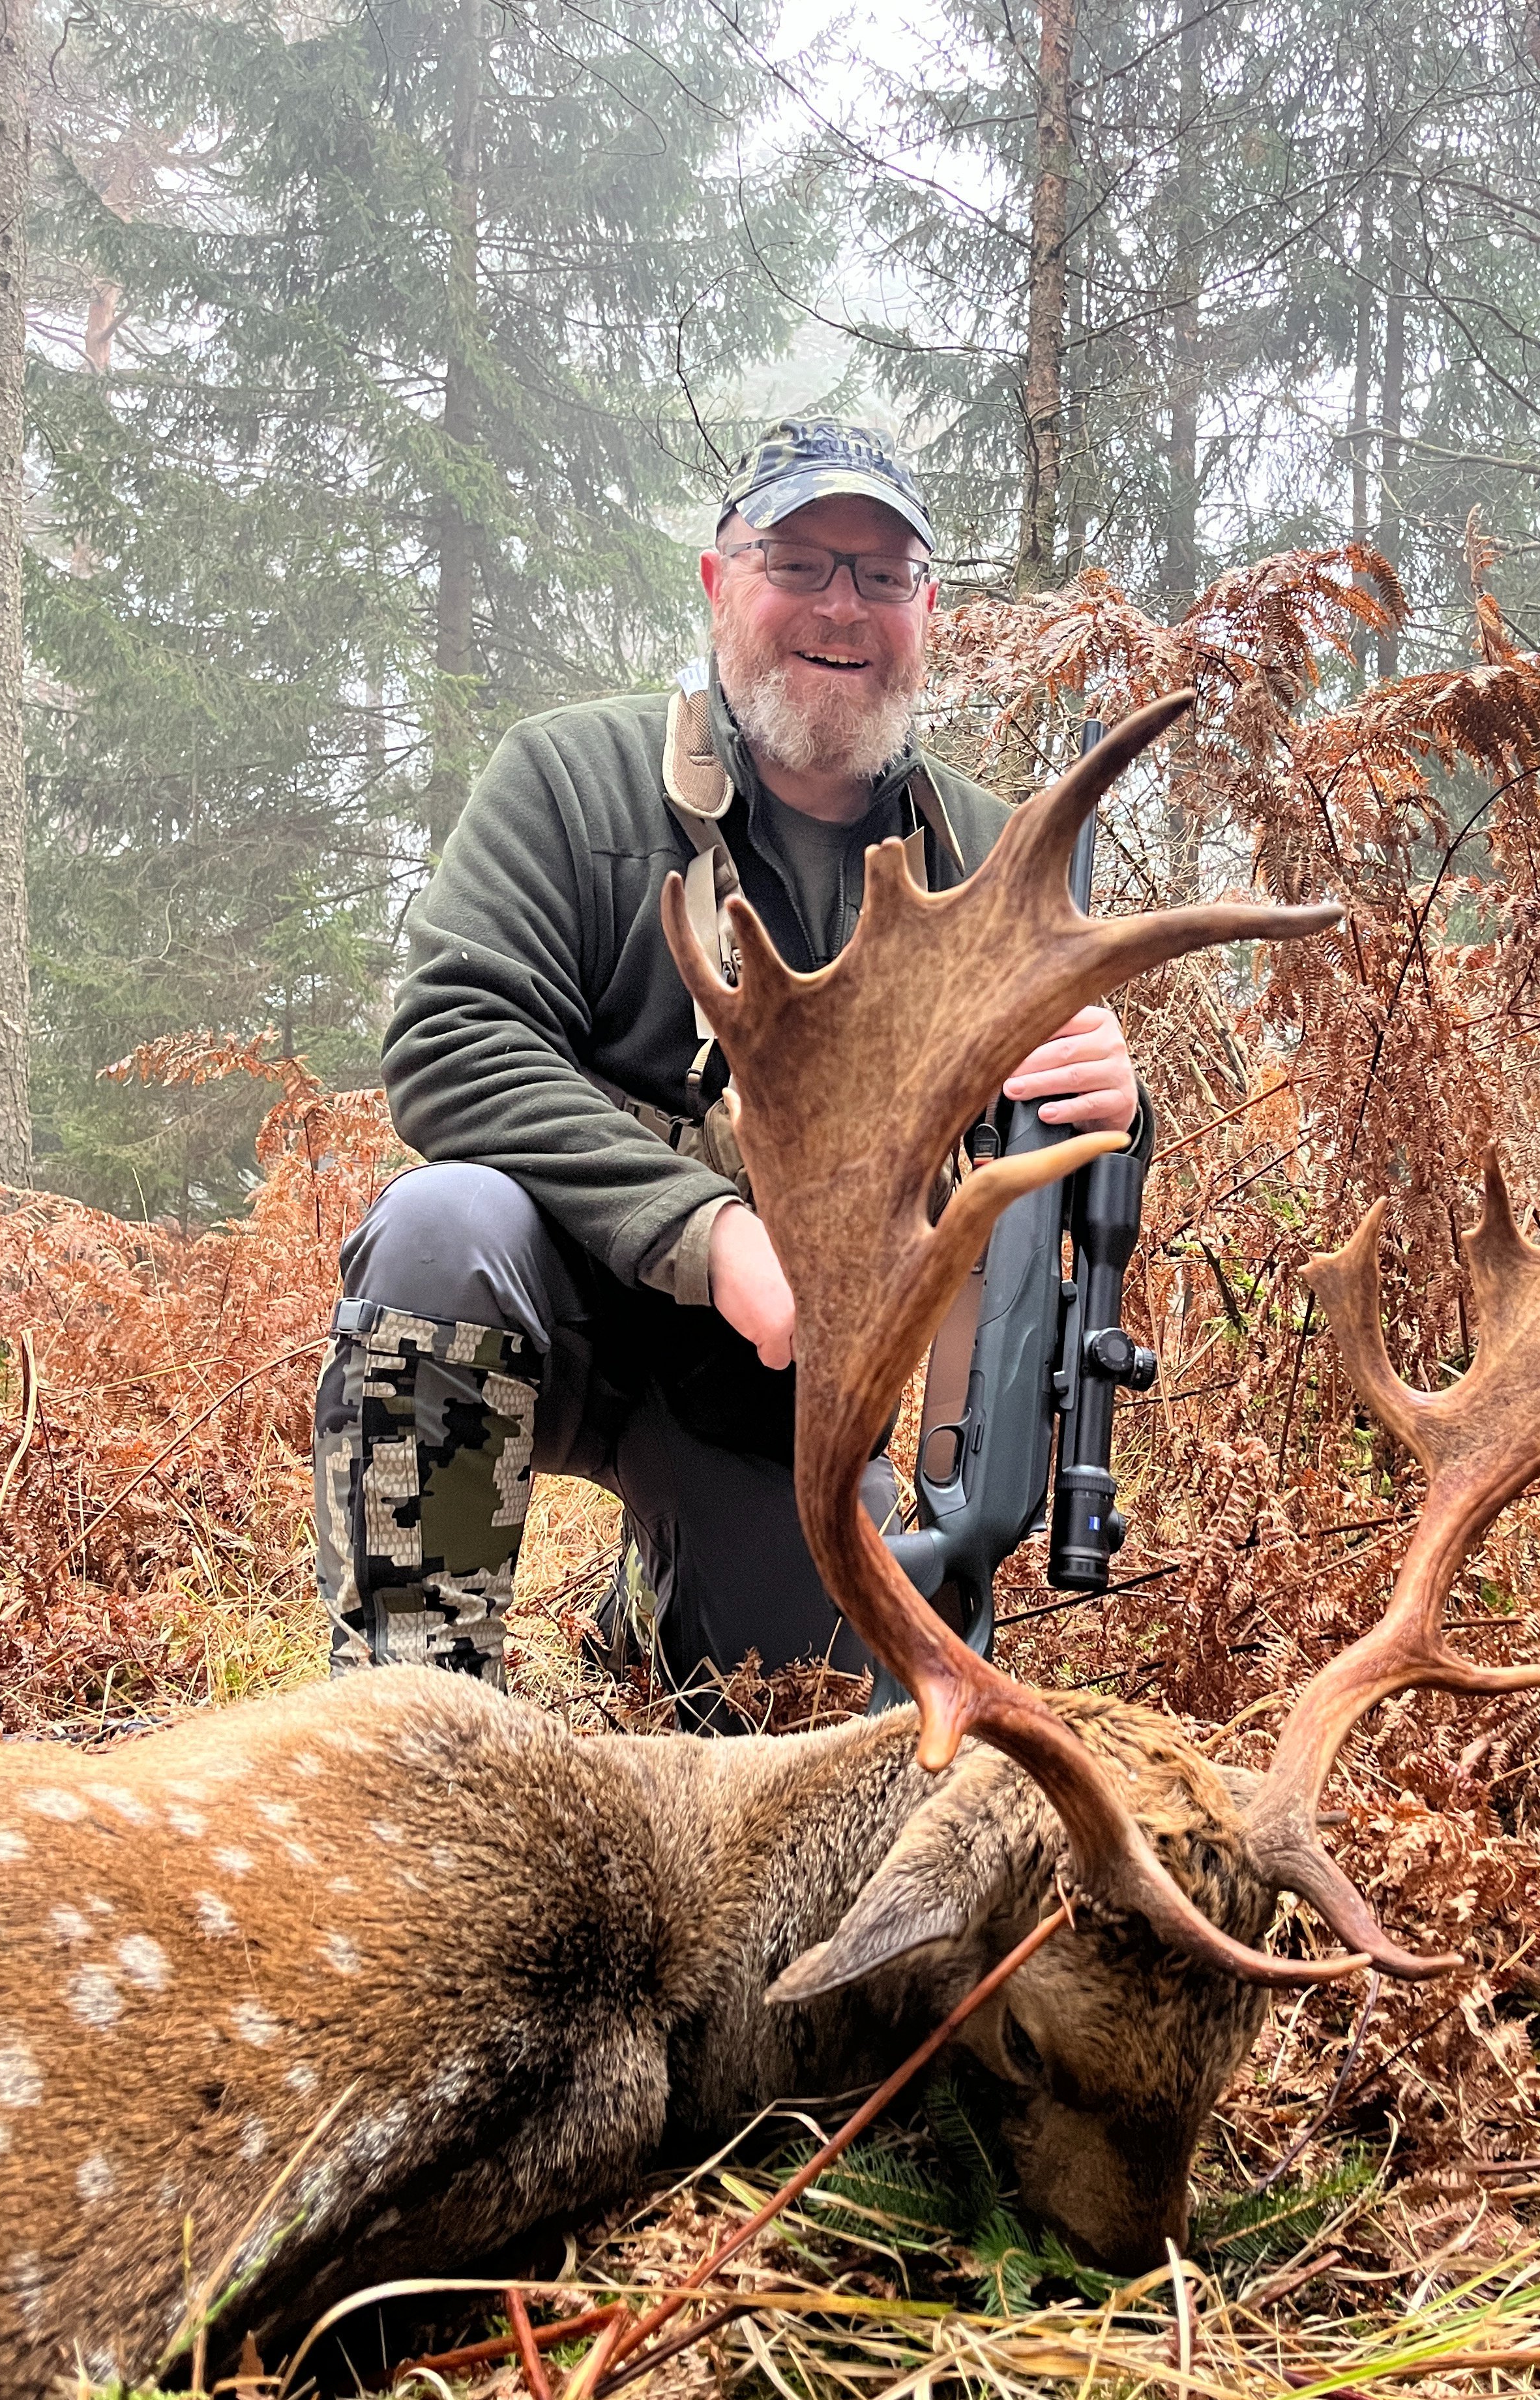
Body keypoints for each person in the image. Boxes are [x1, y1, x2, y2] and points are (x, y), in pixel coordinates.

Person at [314, 416, 1142, 1713]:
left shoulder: (994, 860)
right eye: (800, 563)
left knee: (795, 1730)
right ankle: (409, 1720)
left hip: (783, 1411)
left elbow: (1058, 1188)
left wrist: (1114, 1105)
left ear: (927, 607)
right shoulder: (572, 782)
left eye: (883, 575)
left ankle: (649, 1609)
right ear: (718, 583)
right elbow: (450, 1039)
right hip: (563, 1310)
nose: (843, 608)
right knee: (443, 1223)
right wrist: (708, 1236)